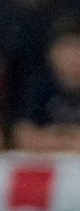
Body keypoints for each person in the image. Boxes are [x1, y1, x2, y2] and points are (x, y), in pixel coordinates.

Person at [12, 22, 80, 152]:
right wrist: (67, 140)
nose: (75, 56)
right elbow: (23, 136)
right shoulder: (38, 87)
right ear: (52, 53)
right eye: (68, 48)